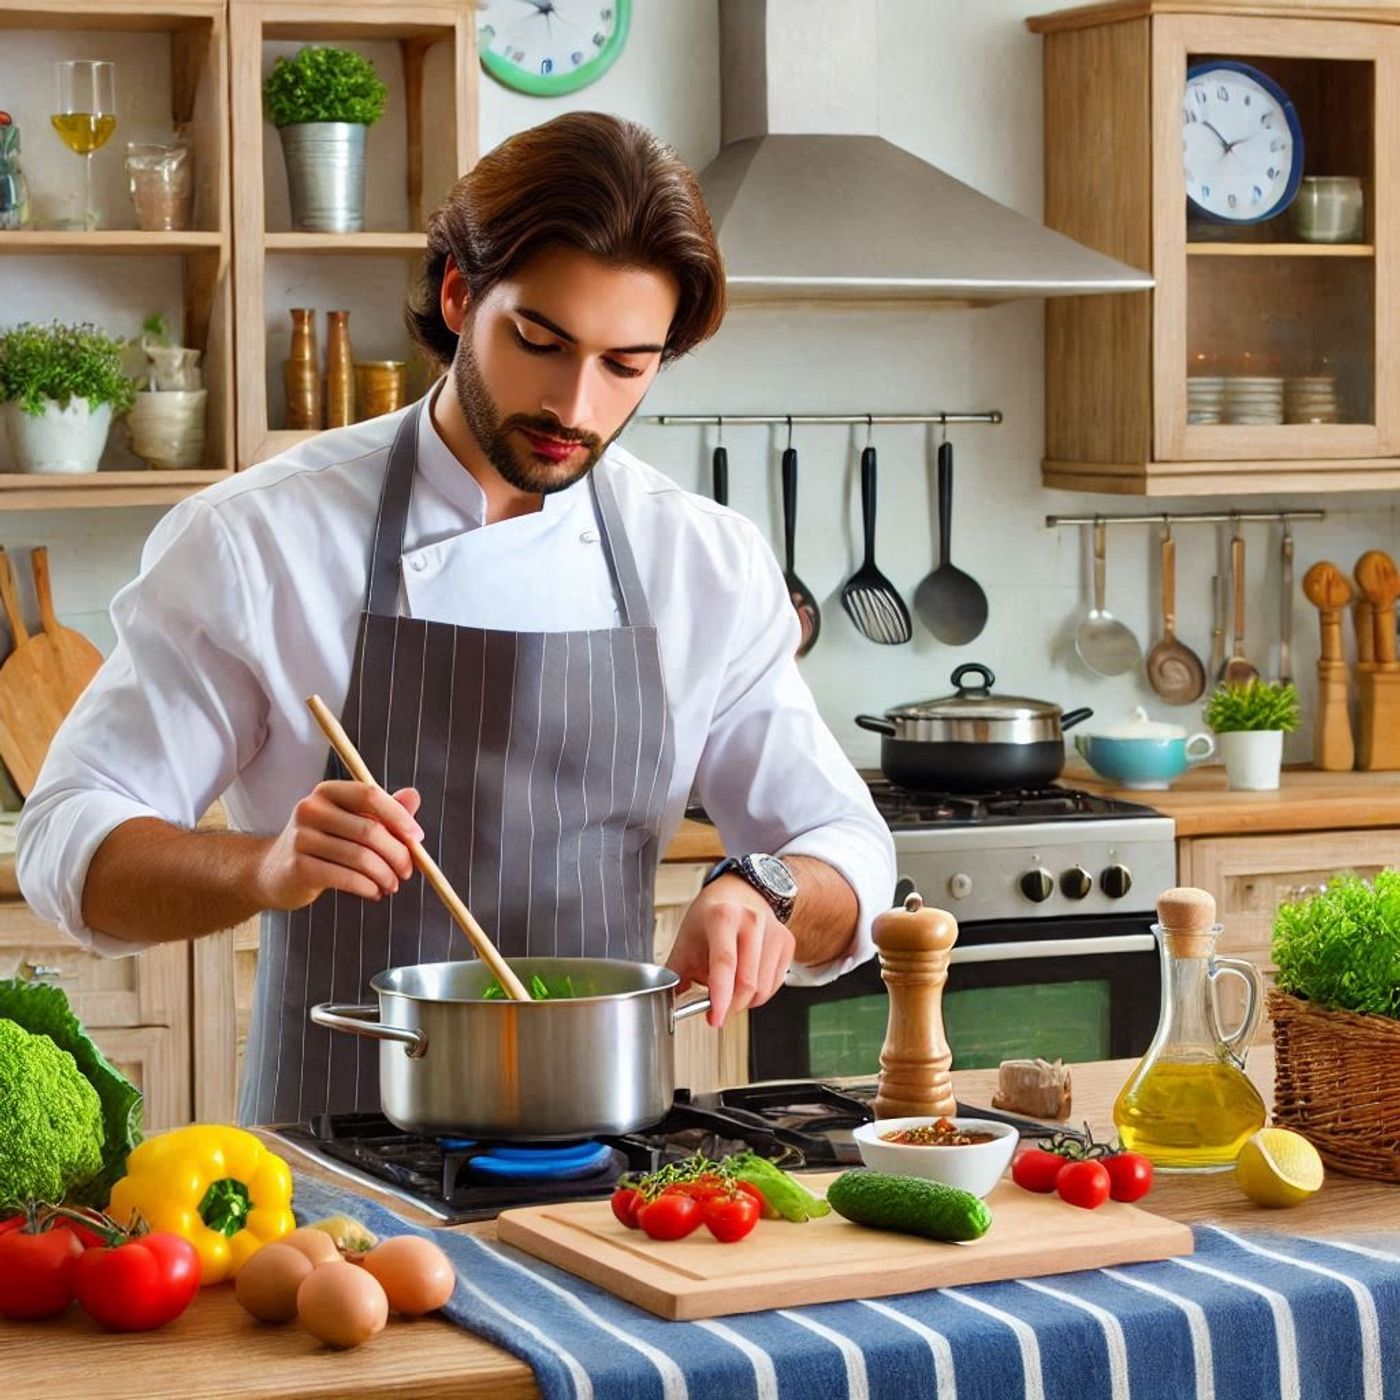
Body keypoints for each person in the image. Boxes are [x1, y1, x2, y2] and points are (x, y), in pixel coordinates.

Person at [17, 112, 895, 1126]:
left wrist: (765, 886)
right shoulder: (260, 538)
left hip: (604, 1166)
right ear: (456, 295)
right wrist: (263, 866)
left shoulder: (698, 560)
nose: (575, 404)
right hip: (337, 1170)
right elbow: (67, 840)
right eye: (540, 340)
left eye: (627, 364)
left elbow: (846, 849)